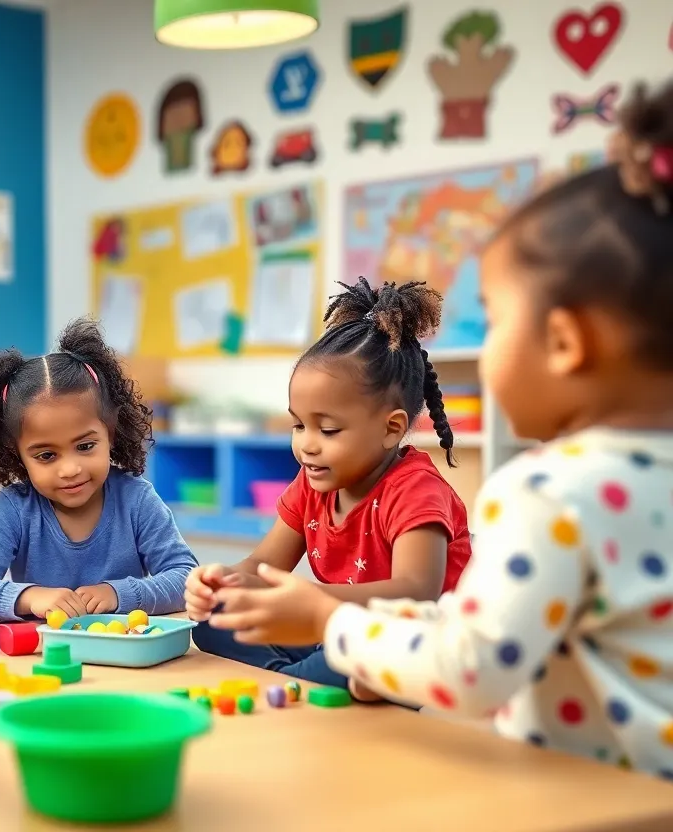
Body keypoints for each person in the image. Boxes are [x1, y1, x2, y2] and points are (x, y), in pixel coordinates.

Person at [204, 80, 673, 776]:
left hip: (587, 799)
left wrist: (332, 624)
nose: (484, 351)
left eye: (495, 318)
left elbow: (473, 666)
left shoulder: (549, 492)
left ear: (567, 343)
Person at [186, 279, 471, 693]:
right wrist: (219, 581)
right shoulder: (314, 484)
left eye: (329, 429)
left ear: (392, 429)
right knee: (216, 621)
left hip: (410, 647)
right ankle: (300, 679)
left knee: (348, 662)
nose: (306, 445)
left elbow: (417, 592)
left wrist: (314, 602)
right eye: (299, 425)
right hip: (335, 631)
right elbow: (262, 567)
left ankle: (298, 681)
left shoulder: (415, 491)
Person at [0, 319, 197, 622]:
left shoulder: (136, 499)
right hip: (44, 658)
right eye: (47, 455)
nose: (70, 469)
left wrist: (119, 594)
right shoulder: (17, 507)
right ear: (18, 454)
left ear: (111, 433)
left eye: (85, 446)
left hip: (127, 658)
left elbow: (186, 578)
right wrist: (29, 597)